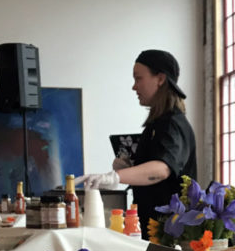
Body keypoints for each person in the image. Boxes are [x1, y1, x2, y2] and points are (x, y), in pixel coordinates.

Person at [79, 50, 196, 238]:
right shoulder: (156, 125)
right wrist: (131, 168)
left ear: (160, 79)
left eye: (138, 78)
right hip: (153, 229)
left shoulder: (172, 123)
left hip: (171, 237)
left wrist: (116, 177)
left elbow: (161, 170)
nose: (134, 87)